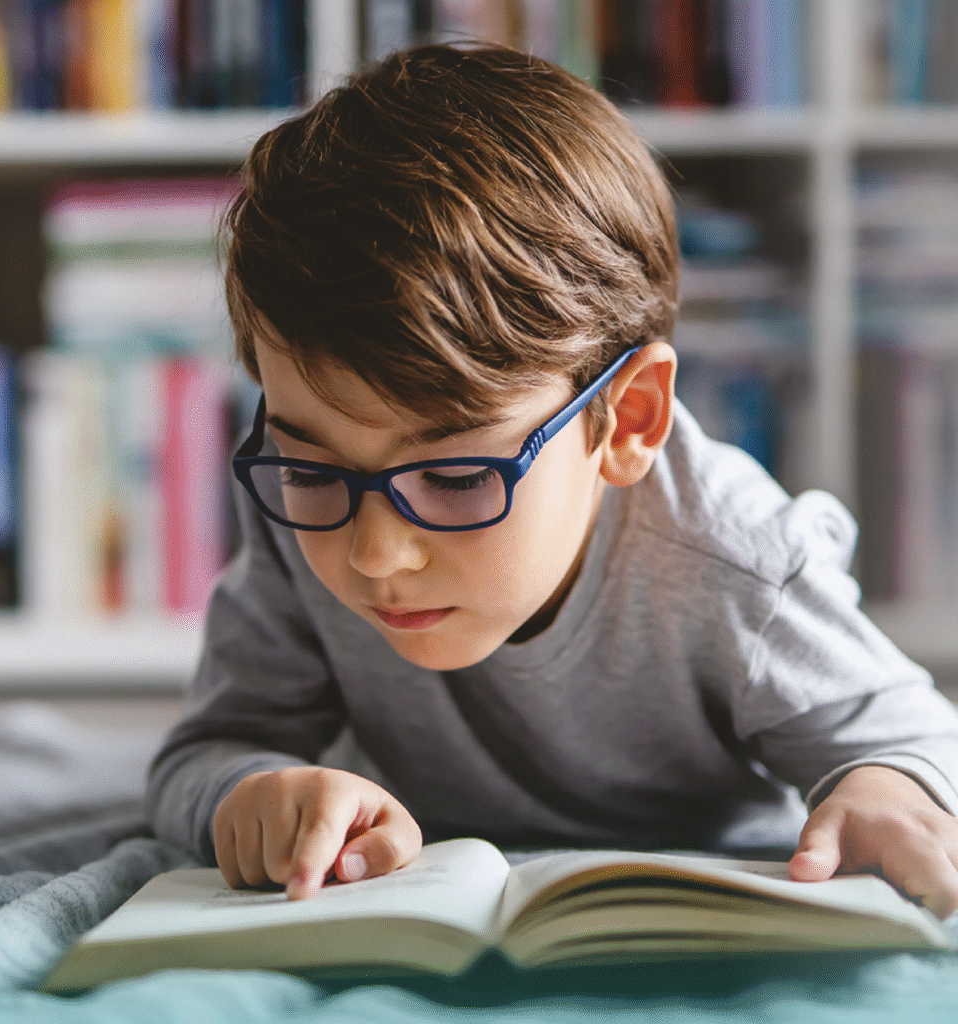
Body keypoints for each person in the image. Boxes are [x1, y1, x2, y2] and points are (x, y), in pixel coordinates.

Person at [147, 43, 958, 917]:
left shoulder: (737, 564)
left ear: (629, 419)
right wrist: (251, 793)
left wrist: (887, 791)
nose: (376, 552)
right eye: (312, 466)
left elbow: (913, 742)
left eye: (456, 475)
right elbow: (208, 751)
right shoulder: (301, 511)